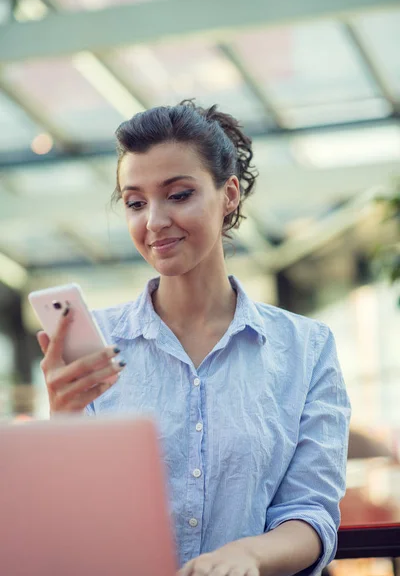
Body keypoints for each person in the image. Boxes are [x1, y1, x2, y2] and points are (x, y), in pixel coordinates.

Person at [37, 100, 351, 576]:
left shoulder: (306, 348)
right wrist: (64, 424)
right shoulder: (96, 345)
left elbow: (311, 513)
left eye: (179, 195)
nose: (154, 222)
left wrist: (247, 554)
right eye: (135, 202)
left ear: (228, 195)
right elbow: (67, 524)